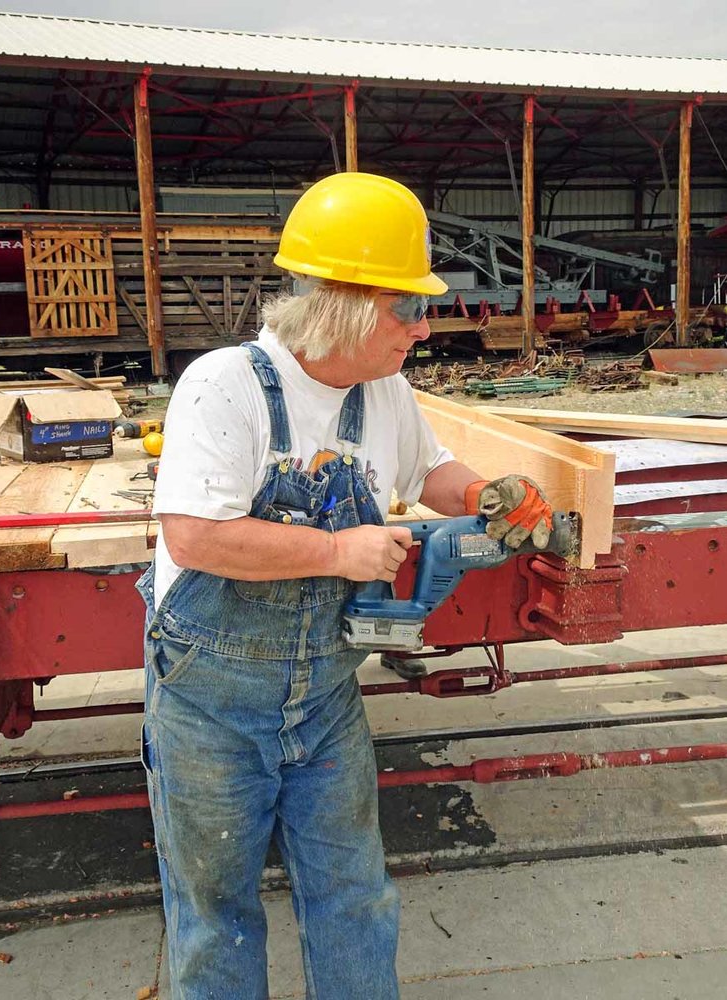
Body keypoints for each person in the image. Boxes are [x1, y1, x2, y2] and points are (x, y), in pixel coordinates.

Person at [136, 172, 552, 1000]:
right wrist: (336, 552)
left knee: (355, 900)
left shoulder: (383, 391)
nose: (423, 327)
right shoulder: (225, 385)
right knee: (215, 912)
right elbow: (194, 536)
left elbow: (429, 469)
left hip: (324, 699)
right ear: (348, 304)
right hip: (210, 705)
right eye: (409, 307)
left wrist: (483, 497)